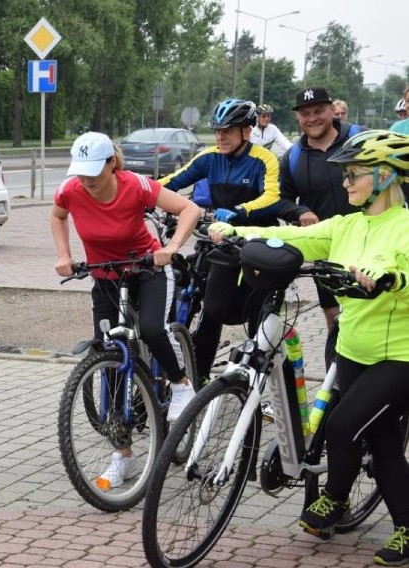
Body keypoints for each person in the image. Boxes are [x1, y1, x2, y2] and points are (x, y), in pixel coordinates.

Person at [208, 130, 409, 567]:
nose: (345, 183)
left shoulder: (405, 229)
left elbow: (395, 267)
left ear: (383, 175)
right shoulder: (347, 225)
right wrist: (234, 230)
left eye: (353, 174)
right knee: (384, 442)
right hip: (353, 350)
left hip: (399, 357)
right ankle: (405, 525)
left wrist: (385, 275)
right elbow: (293, 238)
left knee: (341, 427)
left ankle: (334, 500)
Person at [51, 131, 201, 490]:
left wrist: (173, 246)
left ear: (111, 164)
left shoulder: (135, 186)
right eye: (80, 171)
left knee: (151, 329)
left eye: (93, 171)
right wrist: (64, 255)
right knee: (111, 360)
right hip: (105, 275)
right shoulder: (70, 189)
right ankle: (124, 457)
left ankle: (181, 384)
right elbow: (57, 216)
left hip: (147, 268)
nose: (86, 180)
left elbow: (189, 209)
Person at [159, 98, 281, 386]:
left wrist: (239, 212)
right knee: (212, 310)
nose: (220, 137)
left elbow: (273, 197)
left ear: (247, 132)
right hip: (222, 244)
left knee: (258, 318)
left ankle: (255, 384)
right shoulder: (209, 158)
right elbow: (174, 180)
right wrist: (138, 191)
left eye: (228, 130)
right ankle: (199, 377)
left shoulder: (264, 159)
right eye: (217, 131)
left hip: (256, 244)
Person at [276, 86, 365, 335]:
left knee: (373, 313)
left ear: (332, 110)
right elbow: (282, 200)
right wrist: (299, 211)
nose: (312, 118)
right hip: (328, 249)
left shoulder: (361, 140)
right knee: (334, 318)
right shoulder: (292, 157)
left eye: (319, 111)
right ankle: (336, 370)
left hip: (370, 242)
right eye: (305, 113)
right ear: (297, 117)